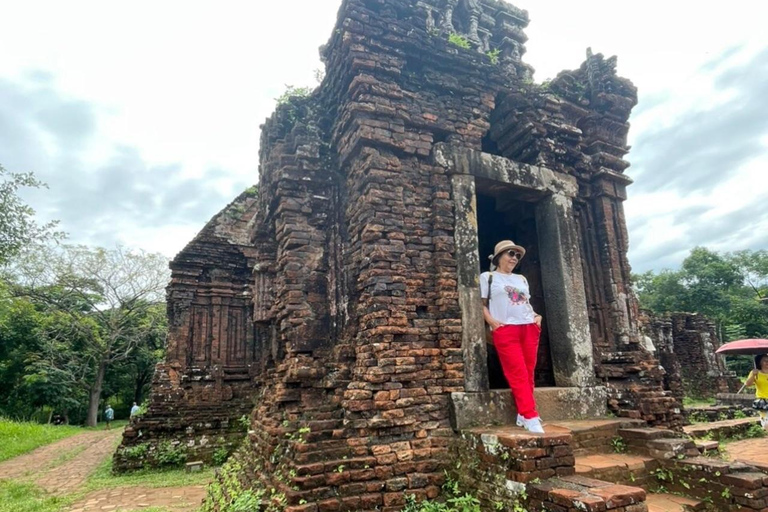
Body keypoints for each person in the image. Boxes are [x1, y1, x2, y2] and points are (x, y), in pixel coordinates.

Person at [480, 240, 545, 434]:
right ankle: (531, 416)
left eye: (517, 255)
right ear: (499, 256)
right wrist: (491, 322)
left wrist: (536, 316)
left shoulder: (521, 279)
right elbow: (481, 303)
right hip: (506, 328)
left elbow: (525, 303)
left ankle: (523, 413)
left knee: (528, 371)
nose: (514, 258)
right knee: (517, 373)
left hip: (529, 326)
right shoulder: (488, 277)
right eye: (510, 254)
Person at [745, 354, 768, 428]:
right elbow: (748, 384)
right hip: (763, 400)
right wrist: (753, 375)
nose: (767, 362)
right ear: (760, 362)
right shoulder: (755, 373)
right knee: (766, 424)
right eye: (764, 360)